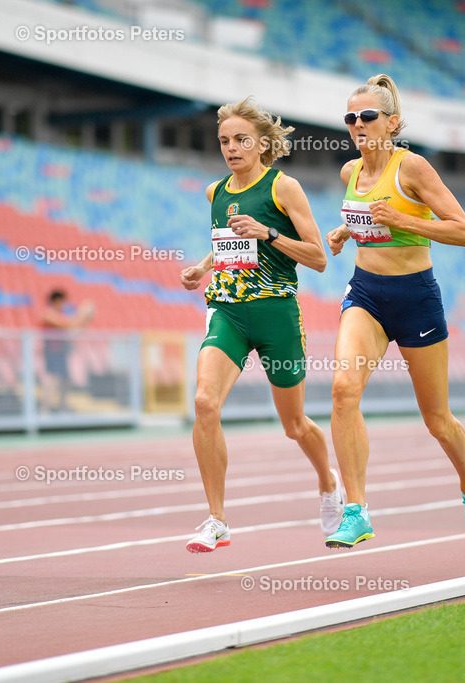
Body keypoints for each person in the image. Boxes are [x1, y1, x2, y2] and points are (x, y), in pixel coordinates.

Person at [324, 74, 465, 548]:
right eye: (350, 118)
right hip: (367, 294)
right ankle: (356, 510)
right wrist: (343, 231)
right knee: (342, 390)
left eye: (367, 116)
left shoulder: (412, 167)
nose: (357, 125)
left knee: (437, 420)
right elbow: (366, 218)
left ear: (391, 123)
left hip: (416, 299)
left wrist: (404, 220)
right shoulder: (349, 173)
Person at [180, 97, 344, 553]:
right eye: (224, 141)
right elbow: (228, 241)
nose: (231, 148)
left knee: (294, 425)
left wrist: (269, 233)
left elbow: (318, 258)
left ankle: (328, 482)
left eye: (240, 140)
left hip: (277, 315)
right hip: (228, 309)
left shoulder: (283, 188)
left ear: (261, 144)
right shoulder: (216, 192)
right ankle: (217, 520)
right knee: (204, 402)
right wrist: (202, 266)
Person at [41, 289, 94, 412]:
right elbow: (65, 325)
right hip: (52, 353)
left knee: (65, 381)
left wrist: (85, 320)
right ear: (57, 300)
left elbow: (71, 330)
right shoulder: (48, 314)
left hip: (61, 353)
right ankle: (44, 410)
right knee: (51, 381)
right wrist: (82, 315)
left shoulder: (61, 315)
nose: (64, 304)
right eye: (62, 301)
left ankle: (62, 407)